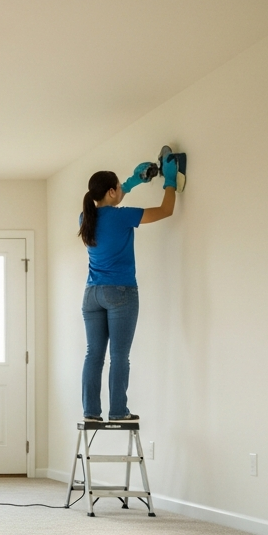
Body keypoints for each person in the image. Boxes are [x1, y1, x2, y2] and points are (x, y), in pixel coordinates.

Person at [79, 155, 179, 423]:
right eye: (117, 188)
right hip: (120, 293)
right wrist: (170, 180)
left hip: (92, 295)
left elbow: (113, 199)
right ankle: (118, 411)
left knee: (94, 355)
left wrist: (133, 182)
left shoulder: (84, 218)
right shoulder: (123, 217)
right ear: (111, 191)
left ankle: (91, 412)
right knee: (119, 356)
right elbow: (166, 210)